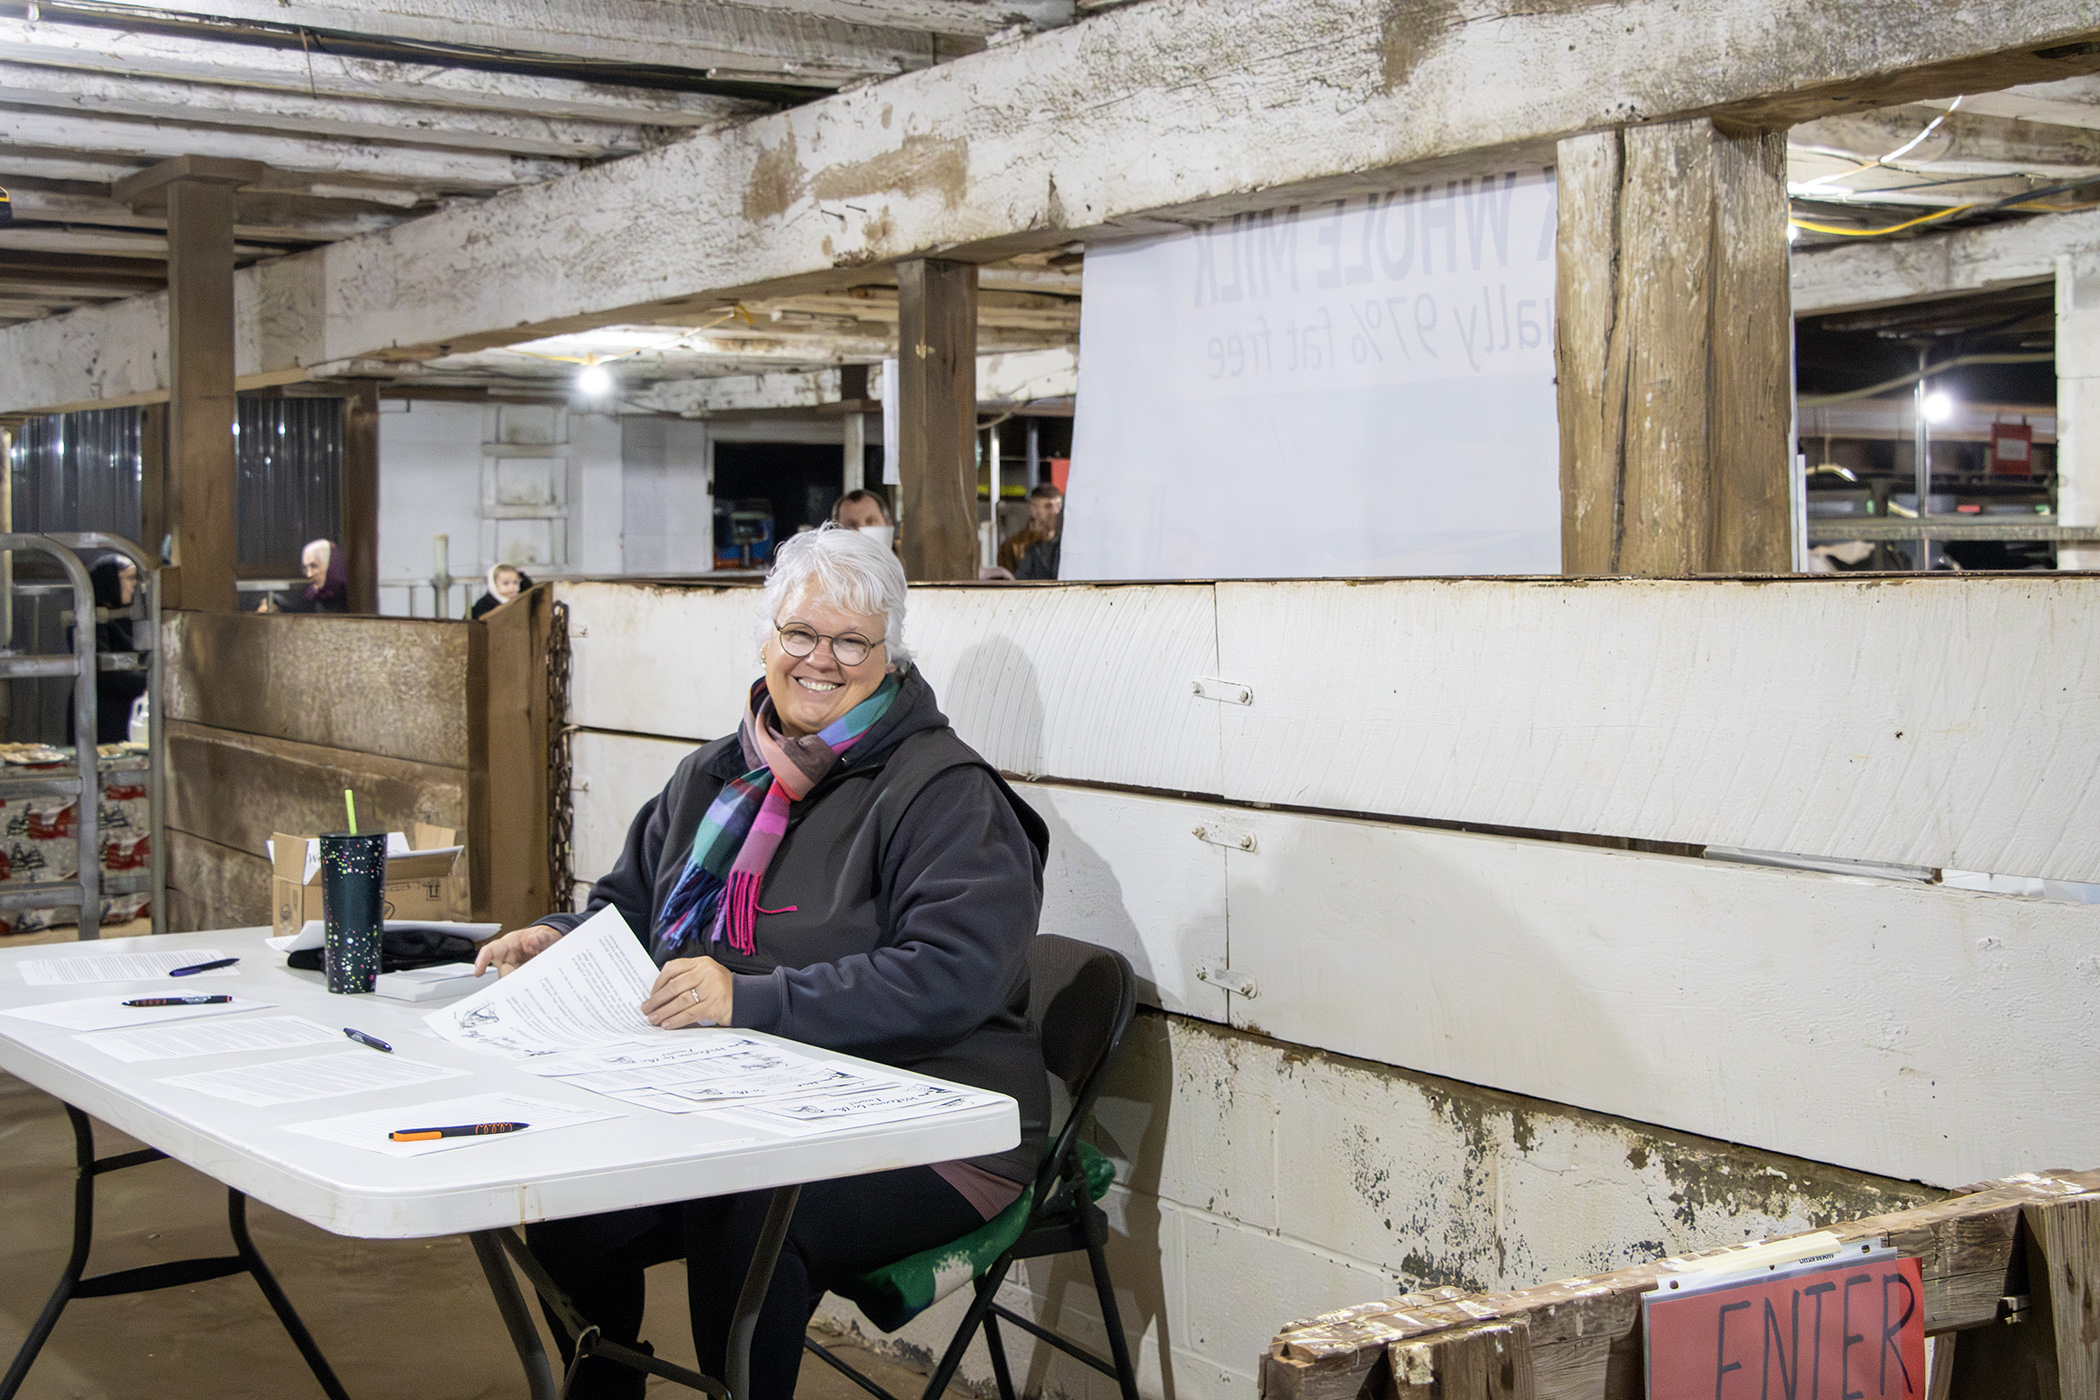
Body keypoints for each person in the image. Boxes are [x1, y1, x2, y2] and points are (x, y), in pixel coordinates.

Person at [471, 524, 1050, 1400]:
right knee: (575, 1196)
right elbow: (631, 909)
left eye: (852, 642)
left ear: (890, 655)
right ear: (767, 640)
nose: (822, 660)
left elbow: (953, 976)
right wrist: (559, 939)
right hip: (742, 1104)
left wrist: (750, 1000)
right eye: (801, 633)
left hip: (936, 1121)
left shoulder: (944, 792)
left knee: (753, 1216)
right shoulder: (714, 775)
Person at [68, 556, 146, 745]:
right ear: (109, 581)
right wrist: (149, 681)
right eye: (128, 578)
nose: (134, 585)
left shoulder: (125, 617)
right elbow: (102, 674)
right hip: (99, 714)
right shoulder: (87, 620)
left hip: (125, 712)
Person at [258, 539, 348, 613]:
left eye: (313, 566)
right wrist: (273, 604)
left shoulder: (349, 596)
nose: (309, 575)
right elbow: (293, 606)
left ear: (331, 565)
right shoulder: (311, 595)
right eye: (305, 568)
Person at [997, 483, 1063, 573]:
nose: (1041, 512)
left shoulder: (1068, 543)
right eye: (1036, 506)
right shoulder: (1012, 546)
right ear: (1031, 507)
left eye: (1048, 506)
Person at [470, 563, 534, 619]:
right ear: (494, 584)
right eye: (506, 583)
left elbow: (530, 589)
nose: (512, 587)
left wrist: (521, 574)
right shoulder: (484, 604)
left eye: (515, 582)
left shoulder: (520, 600)